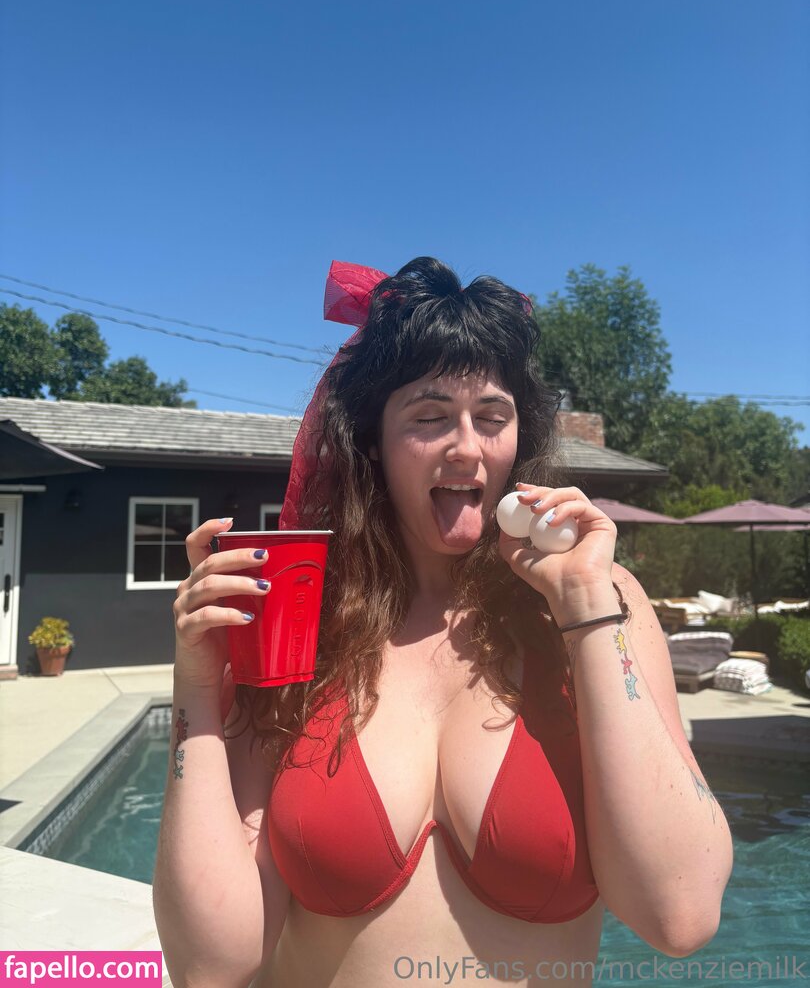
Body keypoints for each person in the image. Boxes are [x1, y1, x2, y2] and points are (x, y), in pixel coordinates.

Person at [153, 257, 733, 988]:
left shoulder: (601, 602)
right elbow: (211, 965)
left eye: (492, 417)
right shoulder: (306, 622)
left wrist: (587, 610)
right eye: (429, 417)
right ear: (372, 439)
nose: (466, 446)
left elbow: (679, 914)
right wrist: (197, 690)